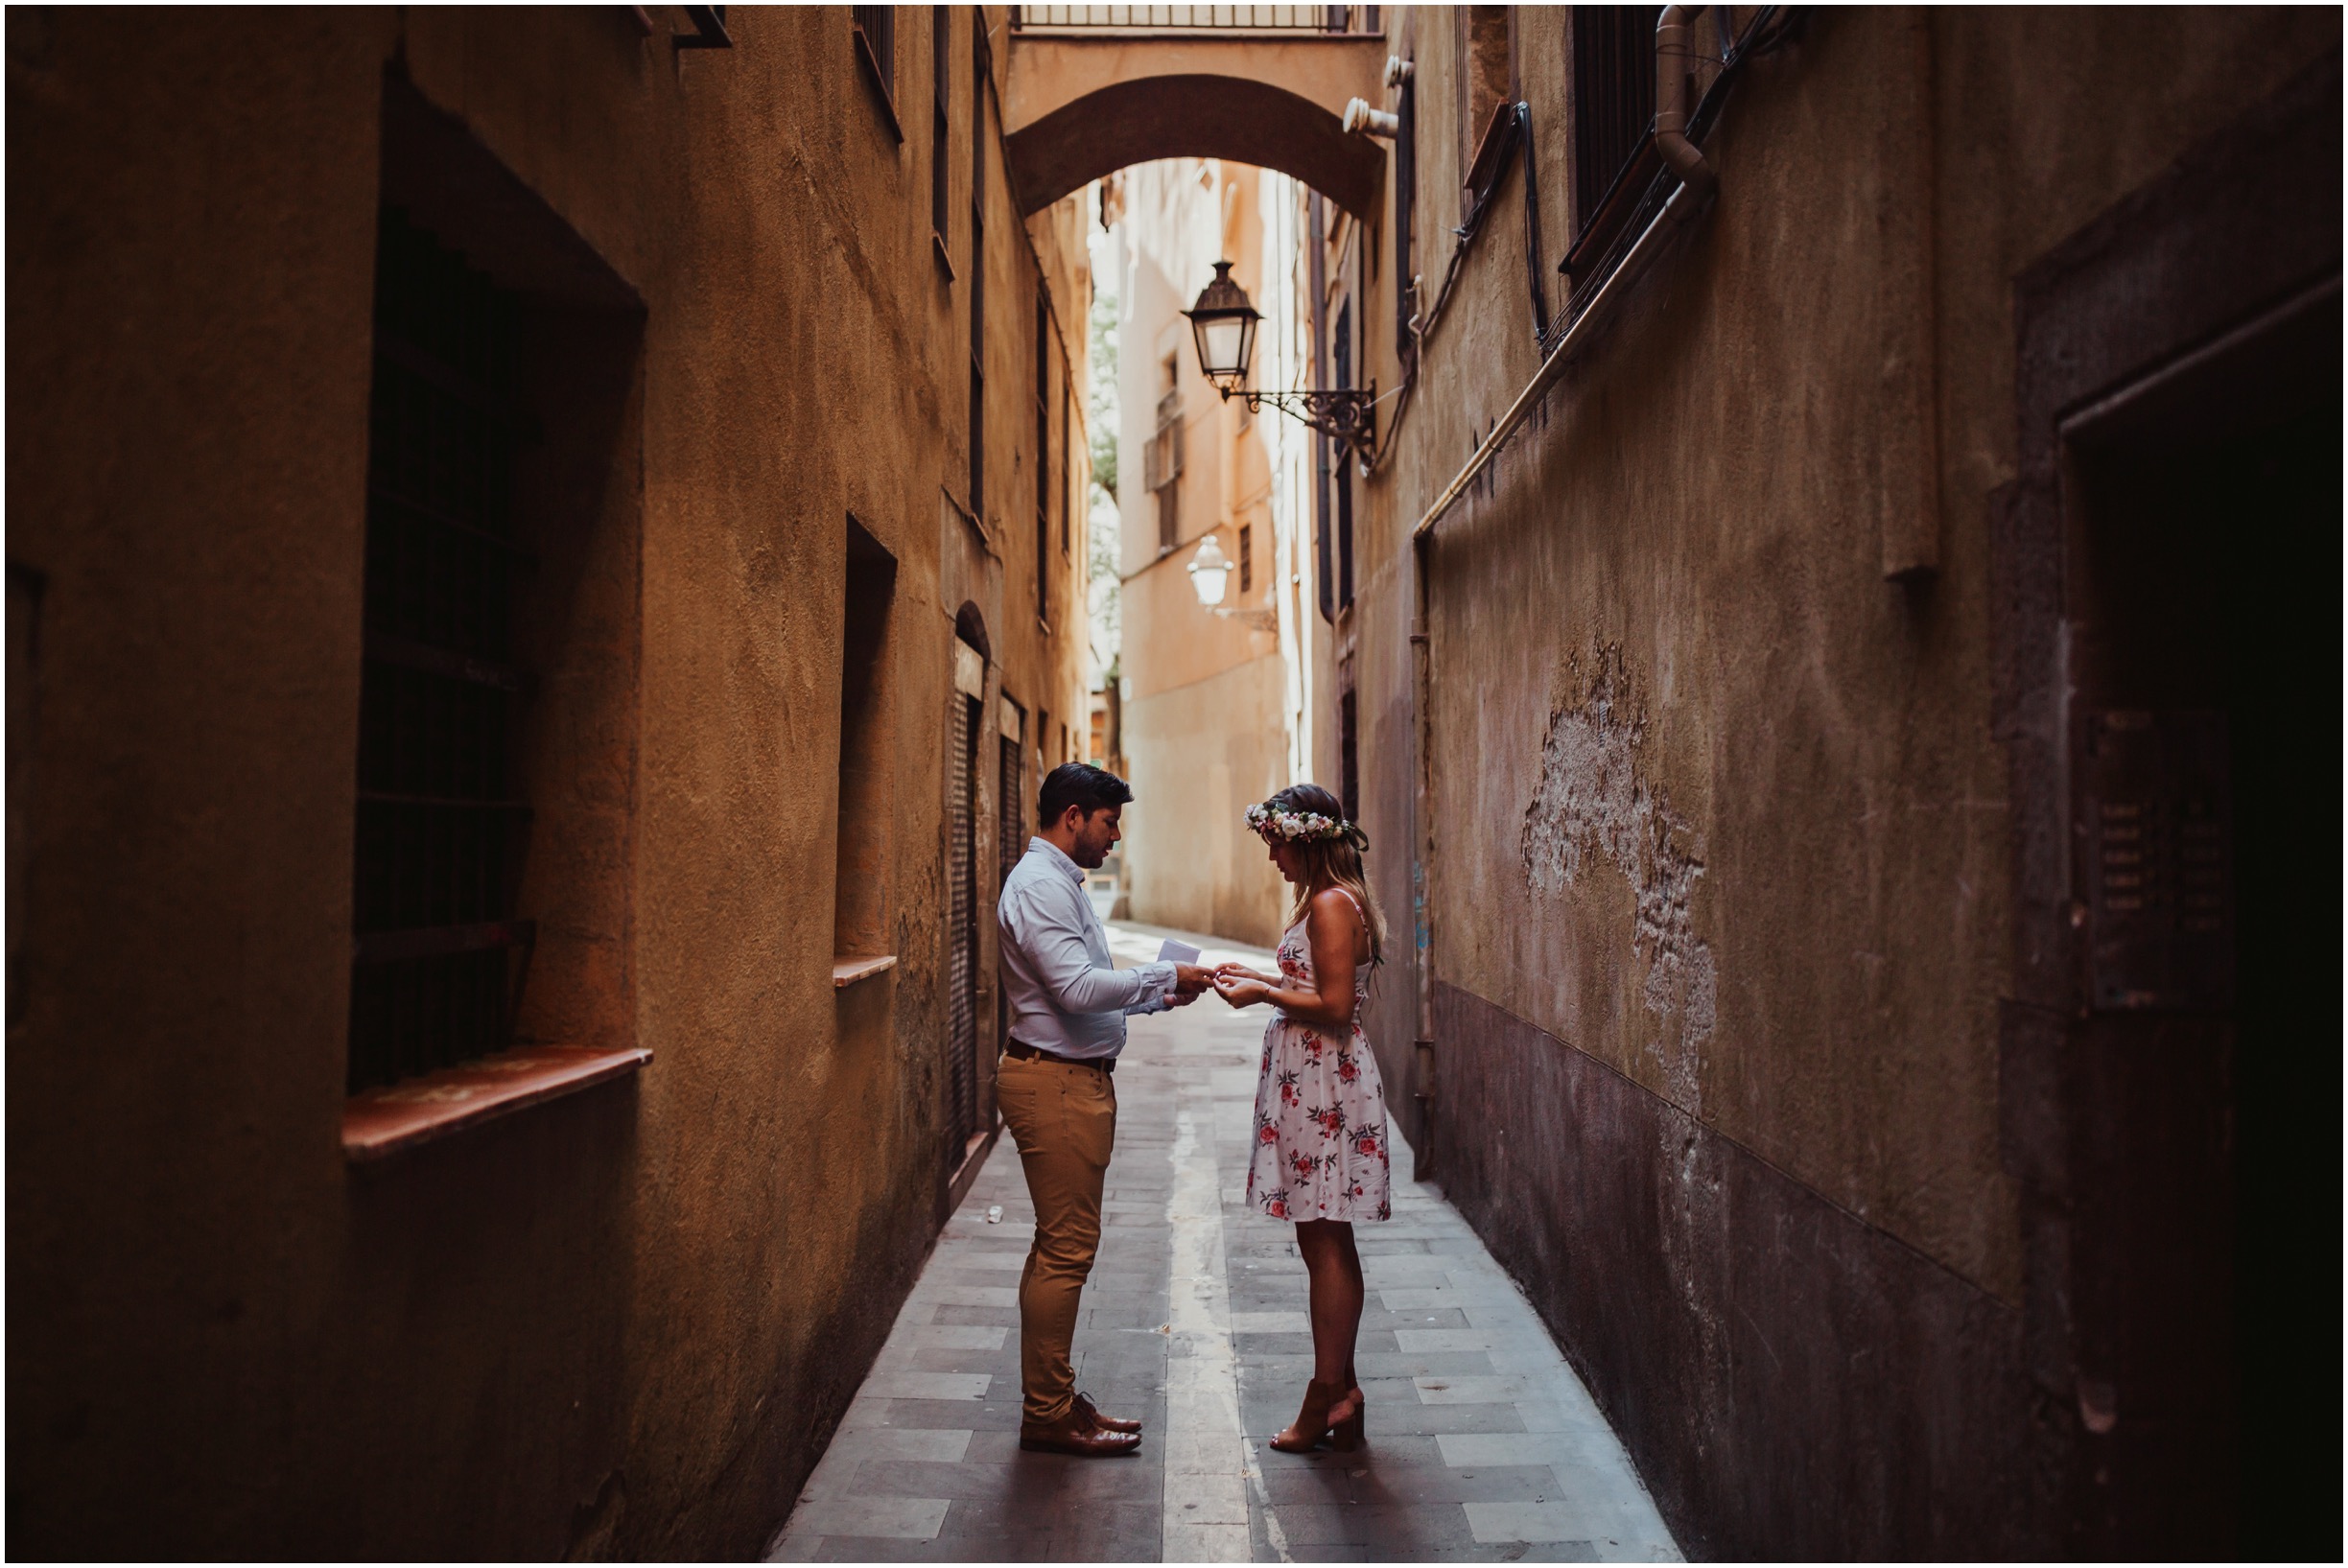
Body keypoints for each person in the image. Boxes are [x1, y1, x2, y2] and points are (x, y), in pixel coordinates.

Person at [997, 761, 1214, 1457]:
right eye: (1108, 821)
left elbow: (1090, 984)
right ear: (1073, 816)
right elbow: (1075, 987)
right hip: (1055, 1084)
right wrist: (1161, 975)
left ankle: (1053, 1398)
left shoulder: (1058, 883)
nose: (1114, 836)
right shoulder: (1039, 886)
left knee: (1058, 1245)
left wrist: (1161, 991)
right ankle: (1048, 1411)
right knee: (1066, 1249)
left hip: (1071, 1078)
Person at [1210, 783, 1392, 1453]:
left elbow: (1337, 1005)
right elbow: (1318, 985)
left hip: (1324, 1083)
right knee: (1326, 1237)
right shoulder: (1331, 902)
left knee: (1323, 1241)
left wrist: (1263, 990)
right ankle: (1342, 1388)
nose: (1273, 856)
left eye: (1278, 842)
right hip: (1316, 1080)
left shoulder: (1329, 904)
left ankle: (1327, 1395)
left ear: (1306, 838)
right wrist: (1264, 976)